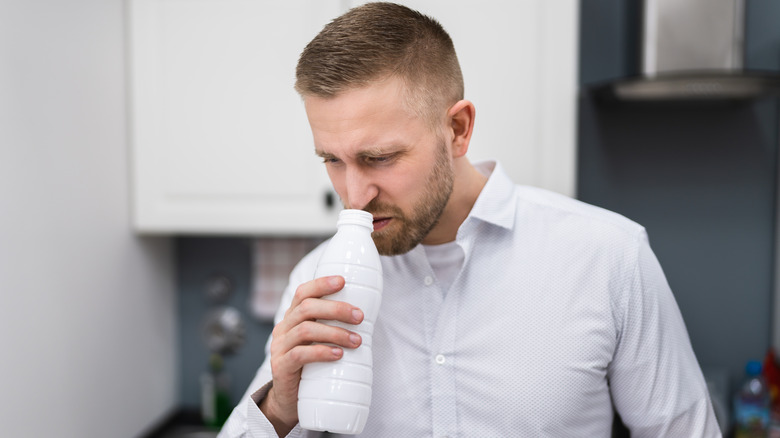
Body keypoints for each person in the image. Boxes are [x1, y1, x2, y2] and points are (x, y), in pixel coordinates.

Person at [219, 3, 721, 437]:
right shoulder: (316, 283)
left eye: (379, 157)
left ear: (457, 129)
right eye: (331, 159)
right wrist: (279, 409)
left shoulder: (609, 257)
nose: (354, 195)